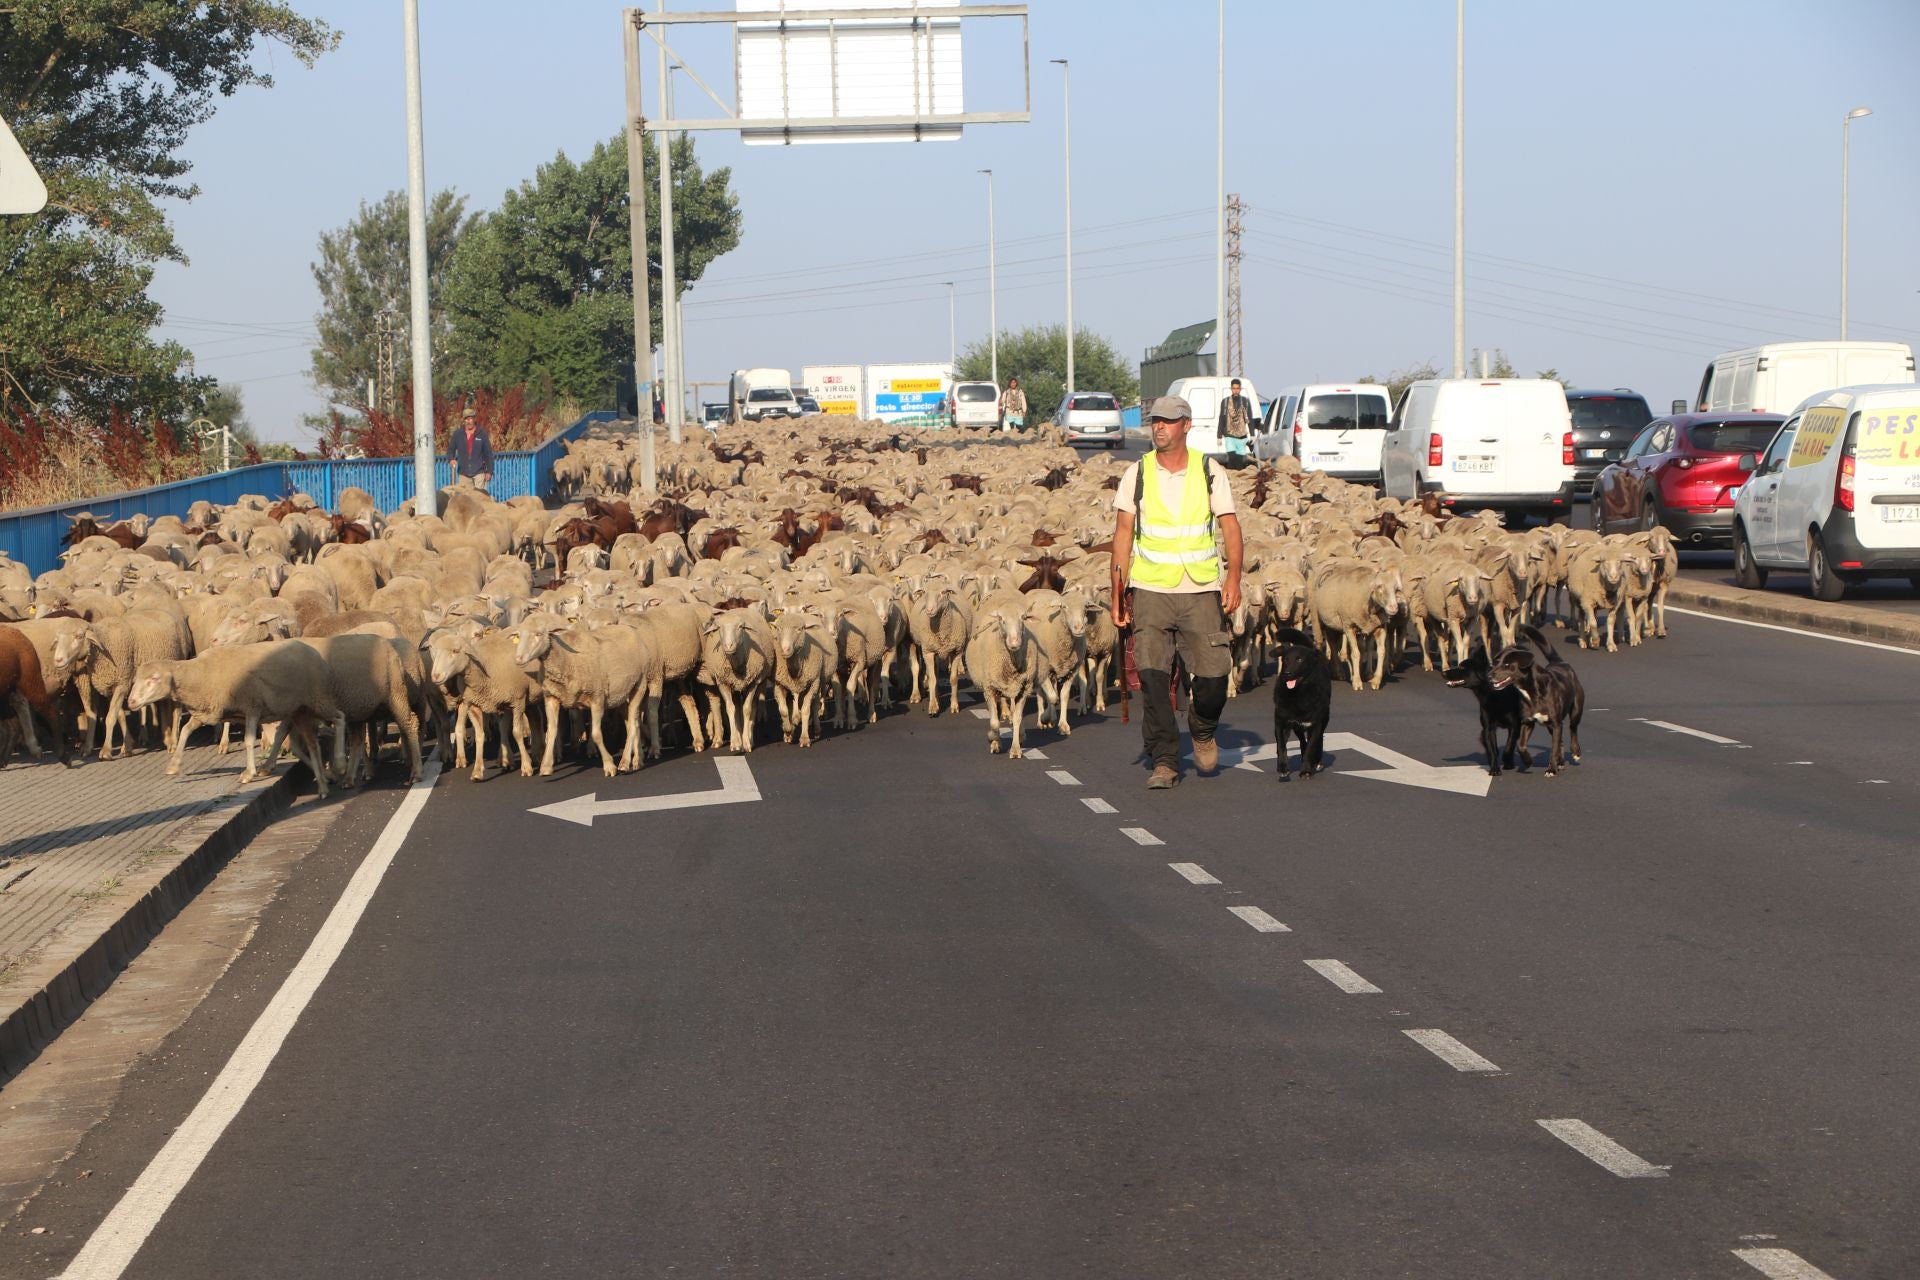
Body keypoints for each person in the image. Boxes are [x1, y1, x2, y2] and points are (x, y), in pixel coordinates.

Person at [1111, 395, 1244, 789]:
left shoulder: (1209, 470)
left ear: (1186, 425)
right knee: (1152, 678)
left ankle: (1202, 728)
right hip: (1151, 589)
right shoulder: (1137, 473)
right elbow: (1123, 534)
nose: (1159, 427)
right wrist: (1117, 592)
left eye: (1168, 421)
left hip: (1200, 587)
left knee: (1214, 675)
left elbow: (1230, 526)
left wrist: (1233, 578)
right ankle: (1165, 760)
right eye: (1156, 421)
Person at [450, 406, 494, 493]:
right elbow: (450, 449)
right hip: (464, 474)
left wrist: (489, 471)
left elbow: (488, 454)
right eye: (466, 419)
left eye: (470, 419)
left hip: (479, 473)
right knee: (466, 499)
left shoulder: (482, 434)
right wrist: (451, 459)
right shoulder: (458, 434)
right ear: (463, 420)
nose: (468, 421)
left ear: (474, 419)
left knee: (479, 498)